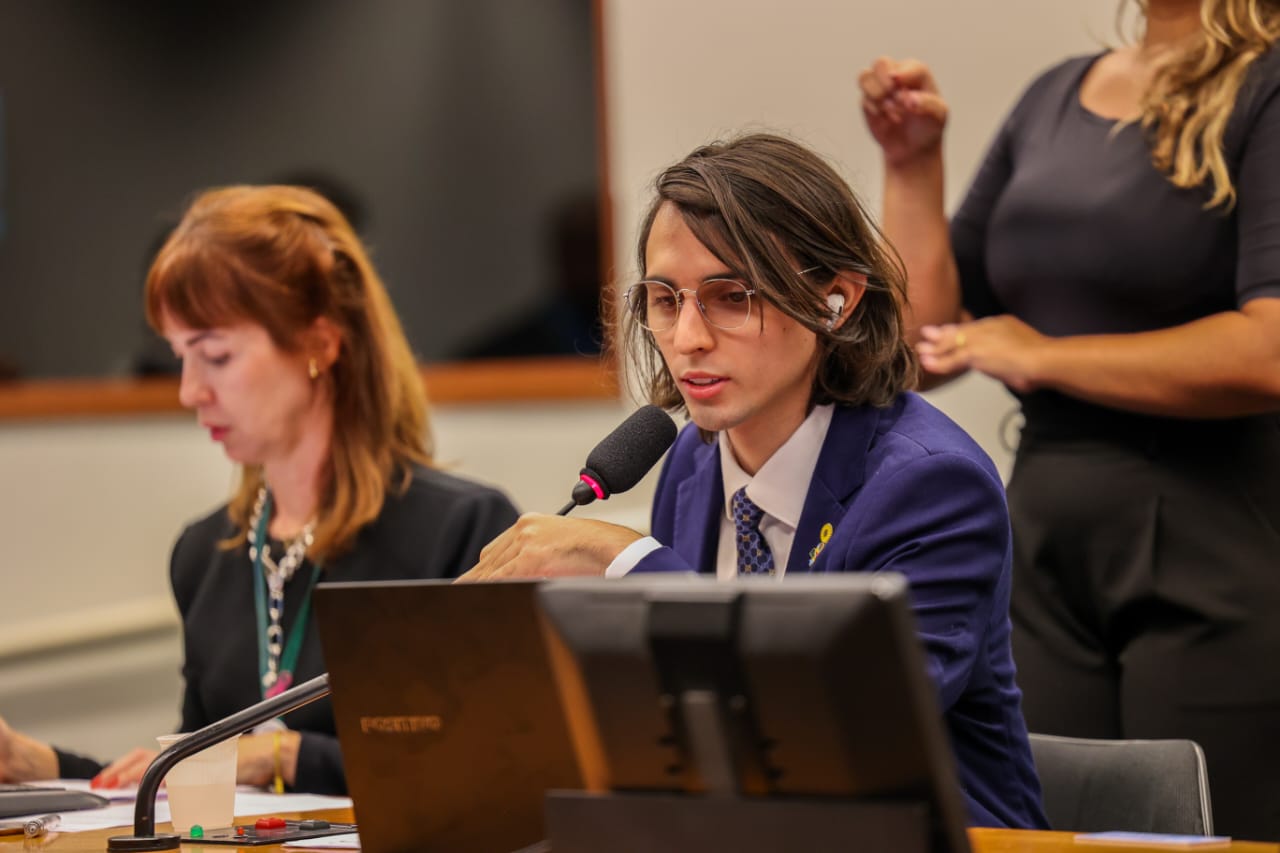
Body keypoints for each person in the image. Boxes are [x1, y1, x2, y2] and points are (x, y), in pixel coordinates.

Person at [462, 133, 1047, 830]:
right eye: (665, 300)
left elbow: (841, 732)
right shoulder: (692, 463)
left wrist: (626, 560)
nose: (688, 338)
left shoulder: (931, 486)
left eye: (731, 296)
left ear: (835, 300)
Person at [859, 0, 1280, 839]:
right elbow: (914, 345)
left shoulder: (1265, 87)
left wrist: (1046, 356)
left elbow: (1270, 348)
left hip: (1216, 537)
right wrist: (912, 165)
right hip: (1043, 540)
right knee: (1041, 828)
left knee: (1200, 831)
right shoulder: (1055, 95)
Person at [0, 185, 518, 795]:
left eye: (216, 356)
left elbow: (496, 766)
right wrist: (42, 765)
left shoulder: (462, 531)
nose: (190, 391)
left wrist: (285, 757)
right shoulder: (204, 553)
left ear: (320, 344)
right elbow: (193, 784)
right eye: (181, 356)